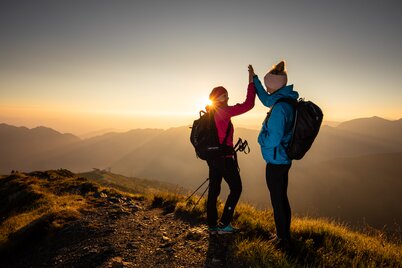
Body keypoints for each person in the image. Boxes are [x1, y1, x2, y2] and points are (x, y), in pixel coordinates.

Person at [250, 61, 299, 248]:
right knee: (281, 197)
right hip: (283, 158)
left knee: (277, 199)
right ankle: (283, 234)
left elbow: (272, 140)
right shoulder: (285, 100)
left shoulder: (280, 109)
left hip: (277, 161)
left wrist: (259, 138)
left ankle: (282, 239)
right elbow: (265, 99)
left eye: (268, 86)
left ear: (275, 86)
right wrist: (254, 79)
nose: (267, 90)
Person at [206, 66, 256, 234]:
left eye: (227, 95)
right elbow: (249, 104)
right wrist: (251, 80)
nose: (228, 97)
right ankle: (224, 224)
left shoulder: (208, 114)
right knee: (236, 189)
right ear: (217, 98)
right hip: (224, 158)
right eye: (224, 95)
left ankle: (212, 225)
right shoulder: (224, 111)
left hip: (212, 157)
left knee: (214, 190)